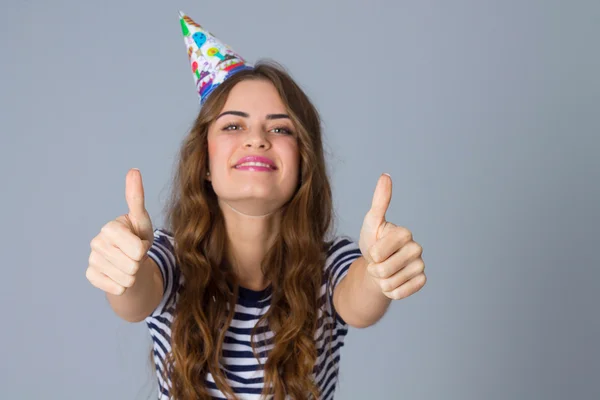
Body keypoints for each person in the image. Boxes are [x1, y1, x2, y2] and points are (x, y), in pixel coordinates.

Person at [85, 11, 426, 400]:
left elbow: (359, 302)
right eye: (233, 126)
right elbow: (134, 299)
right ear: (206, 163)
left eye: (280, 129)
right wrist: (122, 269)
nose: (257, 139)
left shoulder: (330, 265)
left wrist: (381, 272)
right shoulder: (169, 257)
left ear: (303, 164)